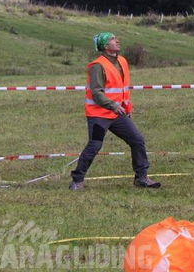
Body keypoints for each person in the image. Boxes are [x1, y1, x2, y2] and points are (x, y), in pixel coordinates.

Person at [69, 32, 160, 190]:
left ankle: (141, 178)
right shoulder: (97, 66)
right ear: (105, 46)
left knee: (137, 140)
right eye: (112, 39)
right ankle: (77, 180)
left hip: (118, 114)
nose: (117, 41)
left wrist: (126, 108)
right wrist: (113, 105)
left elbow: (123, 90)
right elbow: (97, 93)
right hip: (98, 115)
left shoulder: (122, 61)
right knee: (95, 146)